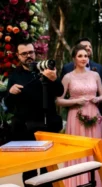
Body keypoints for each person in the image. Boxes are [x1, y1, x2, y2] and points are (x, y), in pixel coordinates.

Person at [5, 42, 64, 187]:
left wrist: (54, 79)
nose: (28, 56)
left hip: (47, 125)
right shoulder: (15, 76)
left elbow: (60, 92)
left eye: (30, 52)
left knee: (48, 169)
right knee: (29, 169)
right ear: (18, 56)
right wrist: (11, 93)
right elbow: (9, 105)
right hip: (25, 129)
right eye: (24, 54)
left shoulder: (46, 69)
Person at [56, 44, 102, 187]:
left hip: (94, 115)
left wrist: (98, 99)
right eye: (80, 56)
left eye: (86, 56)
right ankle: (77, 182)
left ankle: (96, 182)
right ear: (74, 59)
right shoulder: (68, 77)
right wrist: (76, 100)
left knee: (94, 149)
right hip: (76, 116)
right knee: (78, 150)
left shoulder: (95, 75)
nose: (84, 58)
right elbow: (59, 100)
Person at [60, 37, 102, 114]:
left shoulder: (98, 68)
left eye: (90, 46)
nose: (88, 48)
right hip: (74, 111)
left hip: (94, 111)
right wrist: (72, 104)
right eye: (85, 46)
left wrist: (97, 100)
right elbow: (60, 95)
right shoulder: (67, 69)